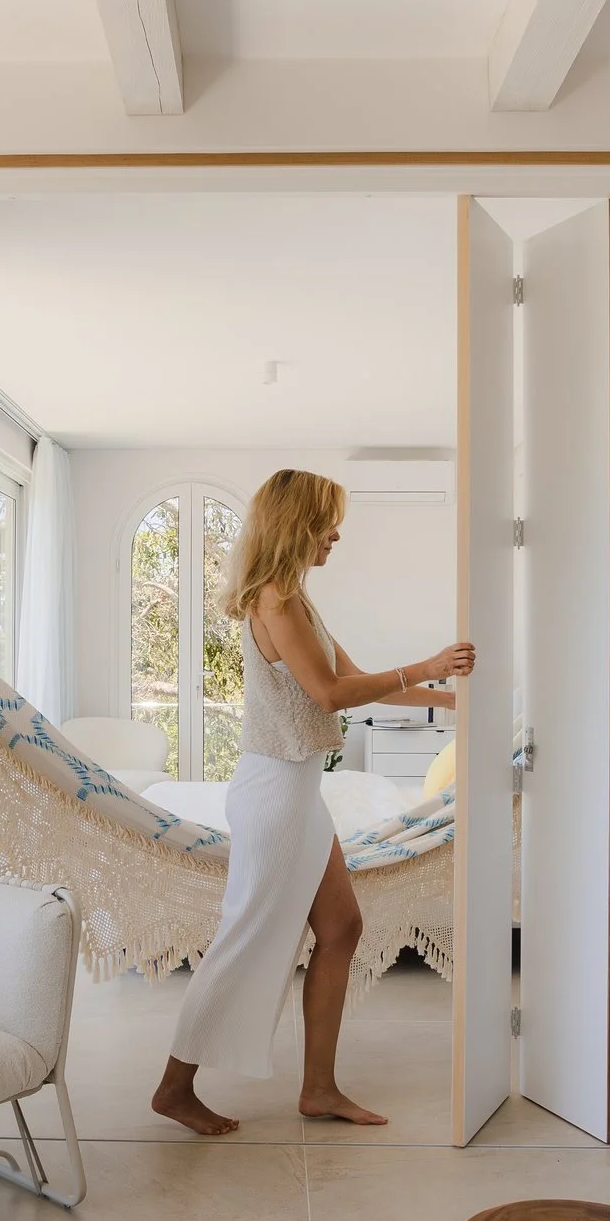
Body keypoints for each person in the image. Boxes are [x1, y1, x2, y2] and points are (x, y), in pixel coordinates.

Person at [152, 468, 475, 1134]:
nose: (336, 534)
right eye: (328, 520)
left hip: (297, 792)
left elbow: (356, 679)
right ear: (297, 522)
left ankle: (319, 1089)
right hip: (275, 792)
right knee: (244, 939)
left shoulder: (296, 599)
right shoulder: (275, 600)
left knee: (341, 927)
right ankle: (174, 1086)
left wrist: (445, 695)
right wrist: (428, 664)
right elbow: (329, 695)